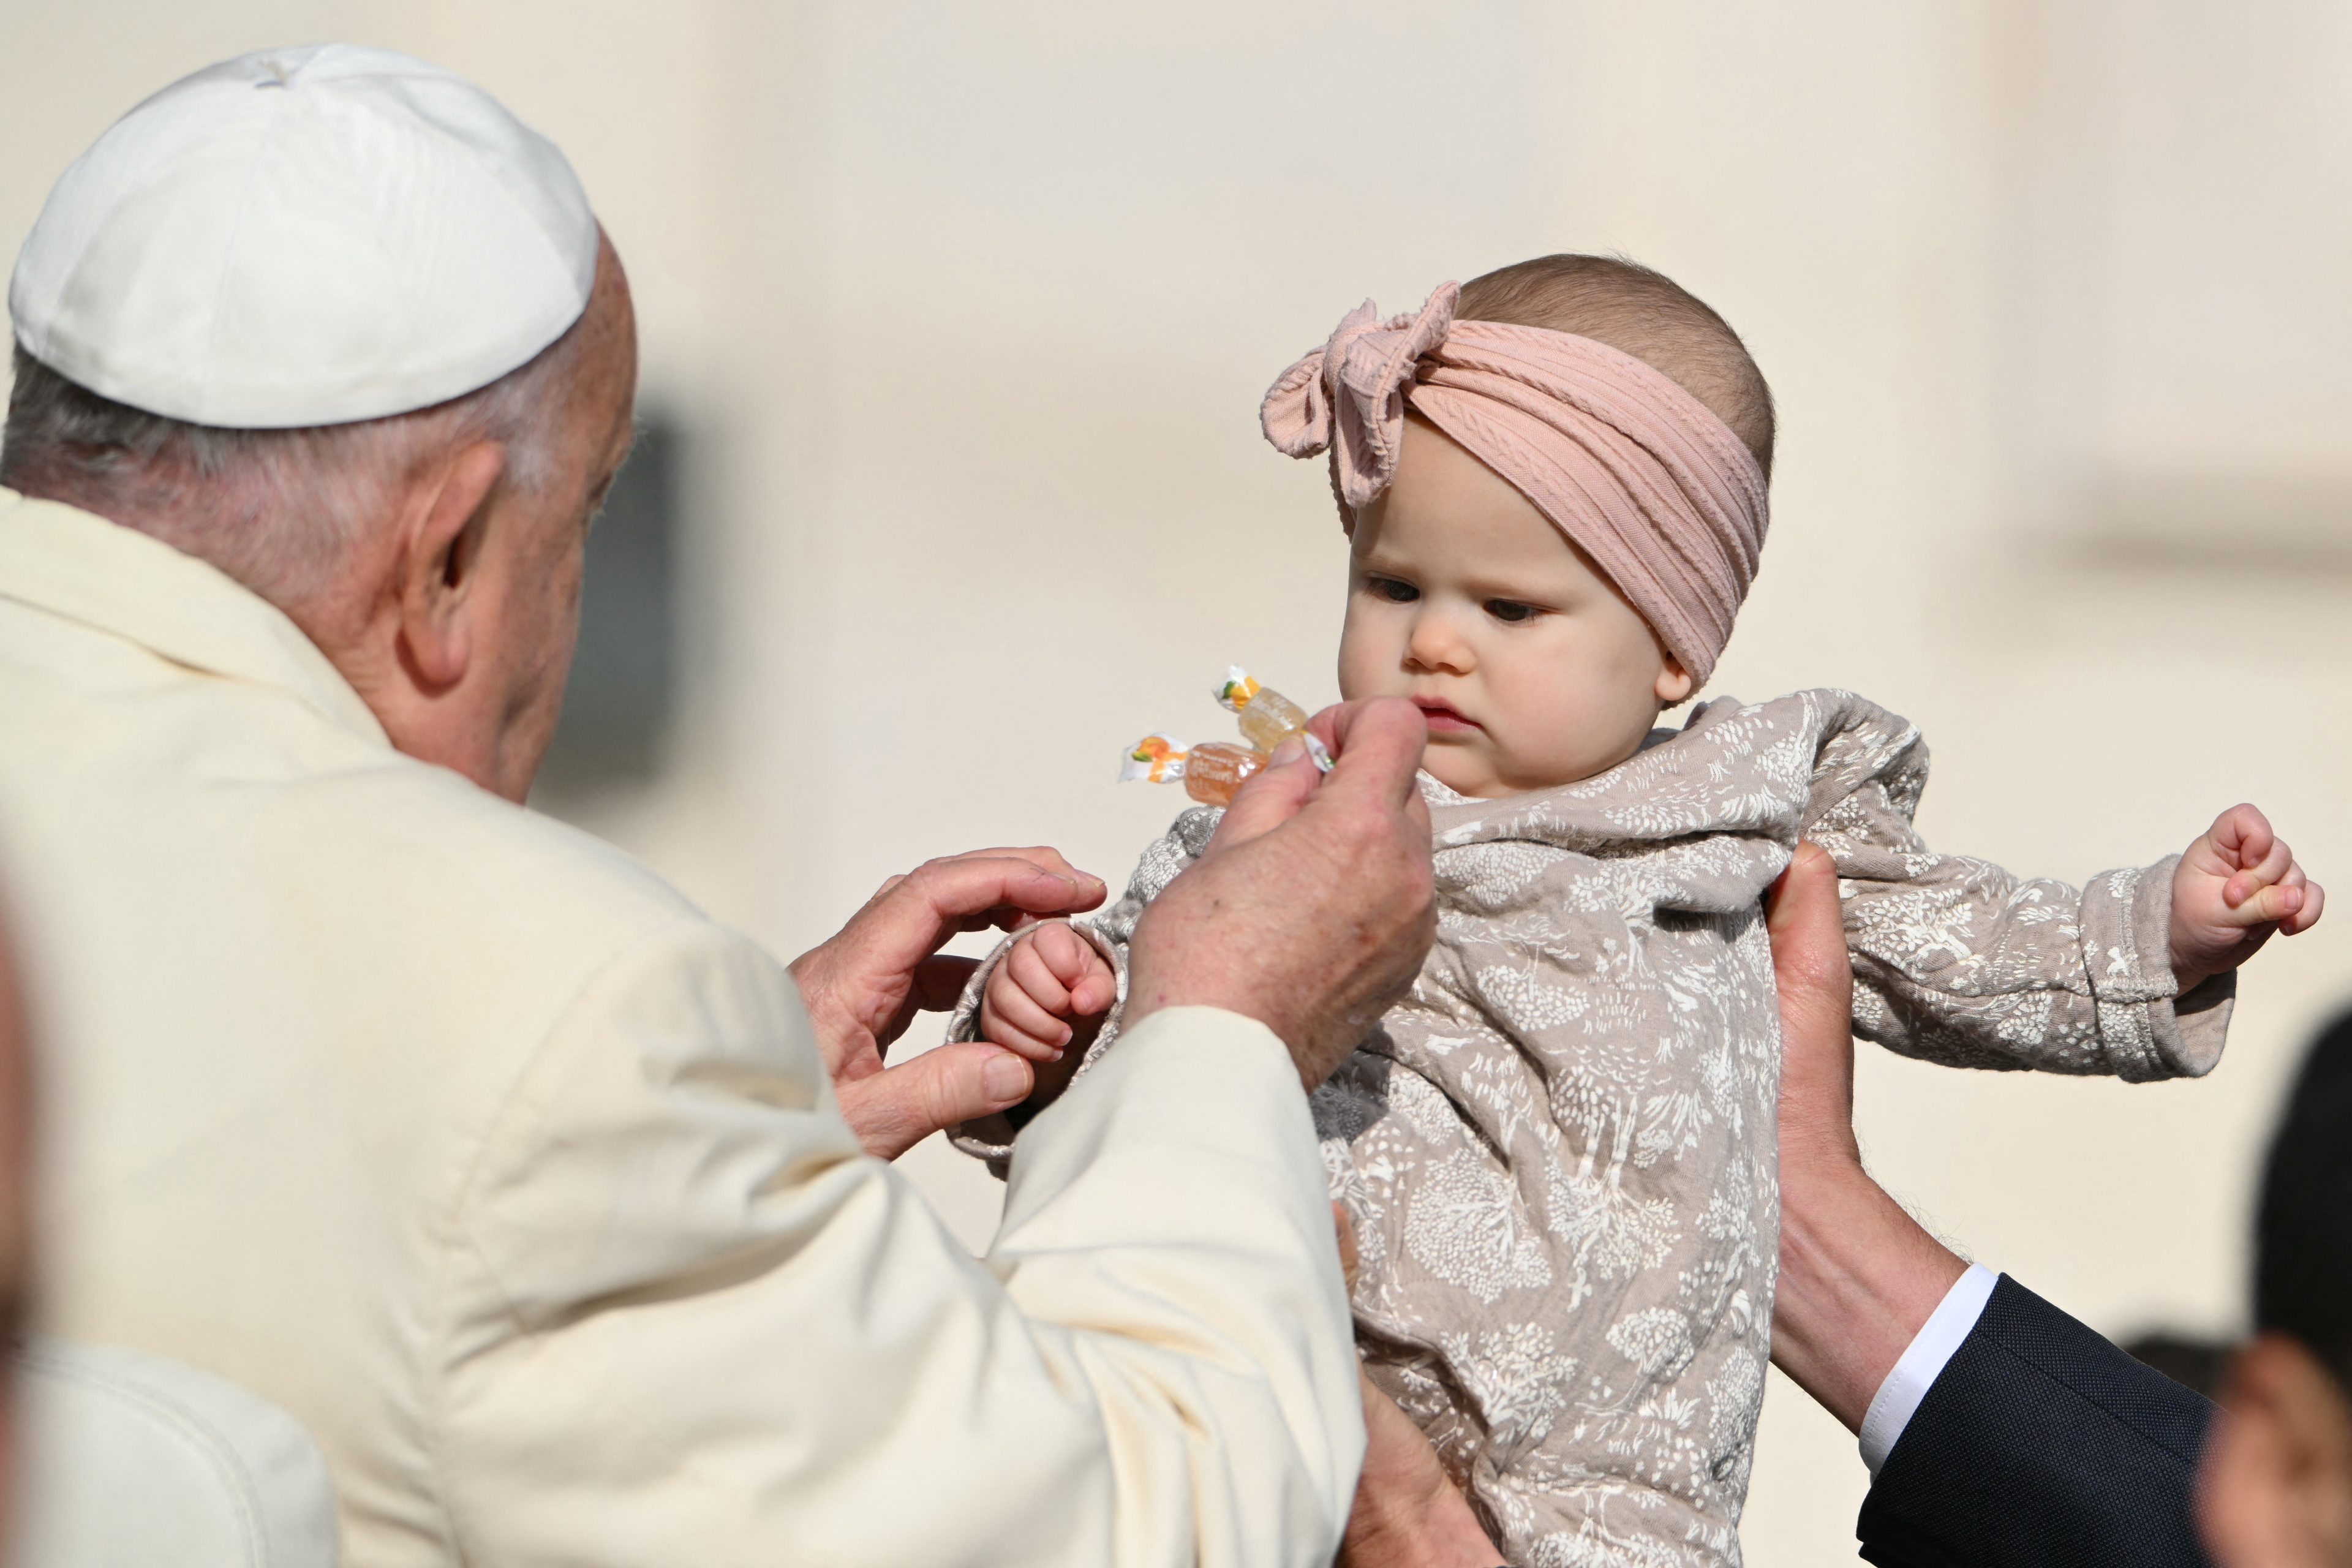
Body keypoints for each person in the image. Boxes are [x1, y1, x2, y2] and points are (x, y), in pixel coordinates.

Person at [0, 45, 1447, 1566]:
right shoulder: (559, 1012)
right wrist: (1224, 1027)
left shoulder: (570, 1051)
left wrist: (706, 1167)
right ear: (444, 560)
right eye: (582, 526)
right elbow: (1129, 1527)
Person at [949, 257, 2323, 1564]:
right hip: (1268, 1408)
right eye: (1394, 584)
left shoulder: (1732, 816)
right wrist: (1047, 1009)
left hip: (1611, 1468)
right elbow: (1155, 1033)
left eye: (1508, 603)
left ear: (1673, 647)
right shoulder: (1283, 819)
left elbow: (1952, 935)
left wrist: (2156, 931)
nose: (1436, 640)